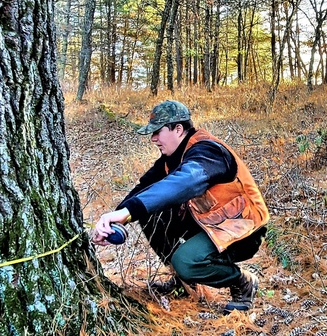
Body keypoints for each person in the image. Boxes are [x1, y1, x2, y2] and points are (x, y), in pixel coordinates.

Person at [92, 100, 270, 313]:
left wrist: (127, 213)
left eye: (158, 131)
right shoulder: (172, 157)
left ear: (178, 129)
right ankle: (185, 282)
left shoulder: (208, 151)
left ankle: (241, 282)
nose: (153, 138)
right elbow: (145, 188)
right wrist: (116, 217)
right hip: (211, 222)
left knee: (186, 261)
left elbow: (183, 182)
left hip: (242, 229)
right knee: (150, 214)